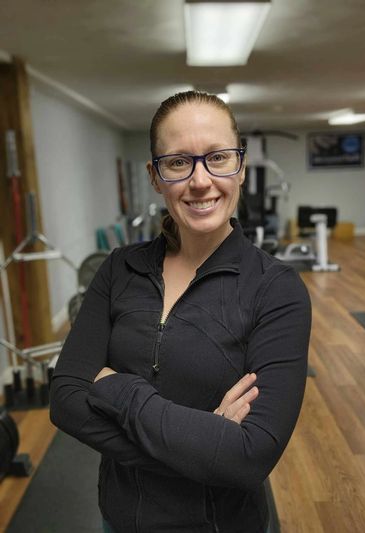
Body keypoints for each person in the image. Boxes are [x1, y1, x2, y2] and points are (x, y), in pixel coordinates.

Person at [49, 90, 311, 533]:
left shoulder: (276, 290)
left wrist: (118, 390)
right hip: (118, 517)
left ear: (241, 166)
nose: (201, 180)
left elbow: (249, 458)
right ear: (155, 176)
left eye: (218, 157)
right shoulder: (120, 269)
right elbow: (65, 400)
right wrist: (208, 444)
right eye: (177, 162)